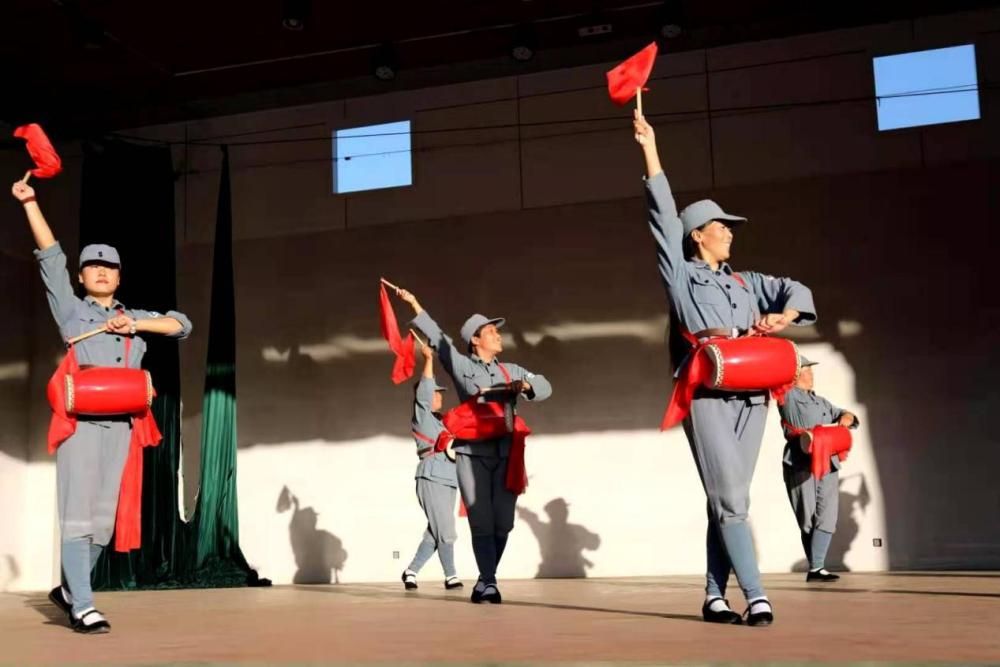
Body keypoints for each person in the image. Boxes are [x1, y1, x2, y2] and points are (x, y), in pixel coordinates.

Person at [634, 110, 816, 626]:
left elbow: (792, 287)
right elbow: (662, 216)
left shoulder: (743, 281)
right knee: (732, 496)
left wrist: (788, 314)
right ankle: (756, 594)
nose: (729, 234)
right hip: (707, 392)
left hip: (752, 394)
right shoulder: (681, 276)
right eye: (721, 227)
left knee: (728, 495)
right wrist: (650, 149)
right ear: (697, 236)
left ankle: (715, 596)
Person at [12, 177, 191, 633]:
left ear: (119, 276)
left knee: (102, 524)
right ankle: (83, 605)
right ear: (82, 276)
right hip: (81, 426)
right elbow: (50, 258)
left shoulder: (137, 317)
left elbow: (181, 325)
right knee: (76, 515)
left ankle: (71, 588)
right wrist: (31, 203)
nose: (101, 271)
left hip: (123, 429)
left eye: (108, 267)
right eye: (92, 266)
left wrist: (137, 325)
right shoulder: (73, 314)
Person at [396, 287, 551, 604]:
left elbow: (546, 386)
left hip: (508, 453)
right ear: (476, 340)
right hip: (472, 454)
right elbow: (439, 339)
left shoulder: (512, 370)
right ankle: (491, 583)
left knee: (503, 524)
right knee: (482, 521)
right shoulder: (463, 367)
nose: (498, 336)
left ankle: (484, 580)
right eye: (491, 332)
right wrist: (414, 304)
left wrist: (527, 385)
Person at [777, 355, 858, 582]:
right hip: (800, 459)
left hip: (828, 461)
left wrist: (847, 416)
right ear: (794, 375)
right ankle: (816, 567)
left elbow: (845, 414)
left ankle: (816, 568)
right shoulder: (787, 396)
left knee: (827, 515)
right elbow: (777, 382)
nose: (811, 374)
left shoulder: (821, 402)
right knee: (807, 515)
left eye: (811, 371)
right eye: (805, 370)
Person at [401, 341, 463, 591]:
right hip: (431, 476)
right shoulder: (422, 415)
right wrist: (428, 359)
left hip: (449, 478)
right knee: (446, 531)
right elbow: (425, 391)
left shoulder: (441, 423)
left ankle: (411, 570)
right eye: (436, 392)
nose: (439, 395)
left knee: (435, 532)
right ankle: (451, 575)